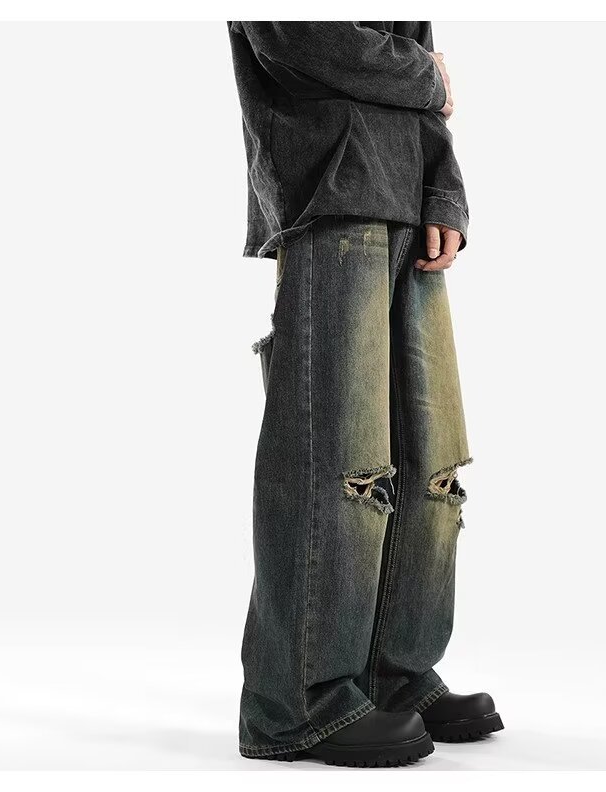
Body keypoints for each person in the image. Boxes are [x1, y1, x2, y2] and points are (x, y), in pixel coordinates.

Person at [226, 21, 502, 767]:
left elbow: (423, 78)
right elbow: (295, 35)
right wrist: (427, 75)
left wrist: (445, 193)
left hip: (407, 196)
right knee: (336, 459)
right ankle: (296, 701)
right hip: (330, 189)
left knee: (429, 464)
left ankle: (392, 675)